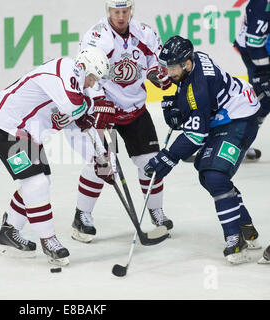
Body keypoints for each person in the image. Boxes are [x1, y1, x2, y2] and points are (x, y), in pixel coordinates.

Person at [0, 46, 114, 266]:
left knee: (40, 182)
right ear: (83, 67)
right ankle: (48, 239)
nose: (91, 84)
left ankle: (9, 232)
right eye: (91, 78)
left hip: (24, 133)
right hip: (3, 128)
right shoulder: (67, 69)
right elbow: (73, 106)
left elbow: (78, 126)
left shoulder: (76, 86)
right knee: (36, 182)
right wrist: (91, 108)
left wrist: (101, 158)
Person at [144, 36, 262, 264]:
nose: (168, 73)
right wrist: (179, 108)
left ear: (187, 64)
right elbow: (196, 103)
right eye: (166, 66)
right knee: (208, 175)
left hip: (240, 118)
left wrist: (167, 158)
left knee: (216, 175)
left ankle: (235, 239)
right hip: (224, 115)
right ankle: (244, 225)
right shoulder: (194, 61)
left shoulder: (197, 88)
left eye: (172, 67)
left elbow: (197, 134)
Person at [70, 0, 173, 243]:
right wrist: (98, 99)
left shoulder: (145, 33)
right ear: (108, 11)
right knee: (102, 164)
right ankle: (81, 216)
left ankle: (156, 212)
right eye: (116, 11)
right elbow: (85, 73)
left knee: (151, 164)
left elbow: (156, 63)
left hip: (136, 110)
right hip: (106, 111)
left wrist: (156, 74)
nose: (121, 16)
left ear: (131, 10)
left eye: (125, 11)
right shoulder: (96, 37)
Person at [233, 0, 270, 161]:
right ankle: (235, 142)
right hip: (257, 57)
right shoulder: (263, 5)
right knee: (262, 100)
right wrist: (265, 71)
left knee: (262, 101)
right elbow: (254, 44)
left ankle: (240, 141)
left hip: (259, 53)